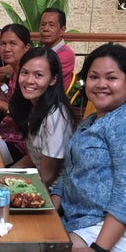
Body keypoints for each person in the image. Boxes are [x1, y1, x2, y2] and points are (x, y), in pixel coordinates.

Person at [26, 43, 126, 252]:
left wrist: (98, 251)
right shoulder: (91, 121)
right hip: (82, 221)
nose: (101, 84)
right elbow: (68, 172)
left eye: (111, 78)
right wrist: (50, 210)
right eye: (94, 77)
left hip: (118, 235)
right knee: (19, 244)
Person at [9, 47, 77, 187]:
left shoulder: (55, 117)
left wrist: (9, 185)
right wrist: (5, 174)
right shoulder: (34, 105)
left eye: (38, 75)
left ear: (53, 79)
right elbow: (35, 156)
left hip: (51, 193)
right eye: (24, 72)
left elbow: (47, 177)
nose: (29, 80)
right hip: (37, 181)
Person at [0, 23, 31, 165]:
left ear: (26, 47)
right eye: (3, 44)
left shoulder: (29, 76)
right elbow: (14, 104)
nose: (7, 48)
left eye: (13, 43)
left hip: (20, 144)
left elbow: (31, 117)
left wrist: (1, 105)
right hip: (4, 132)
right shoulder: (15, 71)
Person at [38, 8, 75, 91]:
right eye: (43, 24)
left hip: (51, 97)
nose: (45, 29)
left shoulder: (66, 54)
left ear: (62, 30)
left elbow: (42, 79)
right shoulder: (41, 51)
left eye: (51, 25)